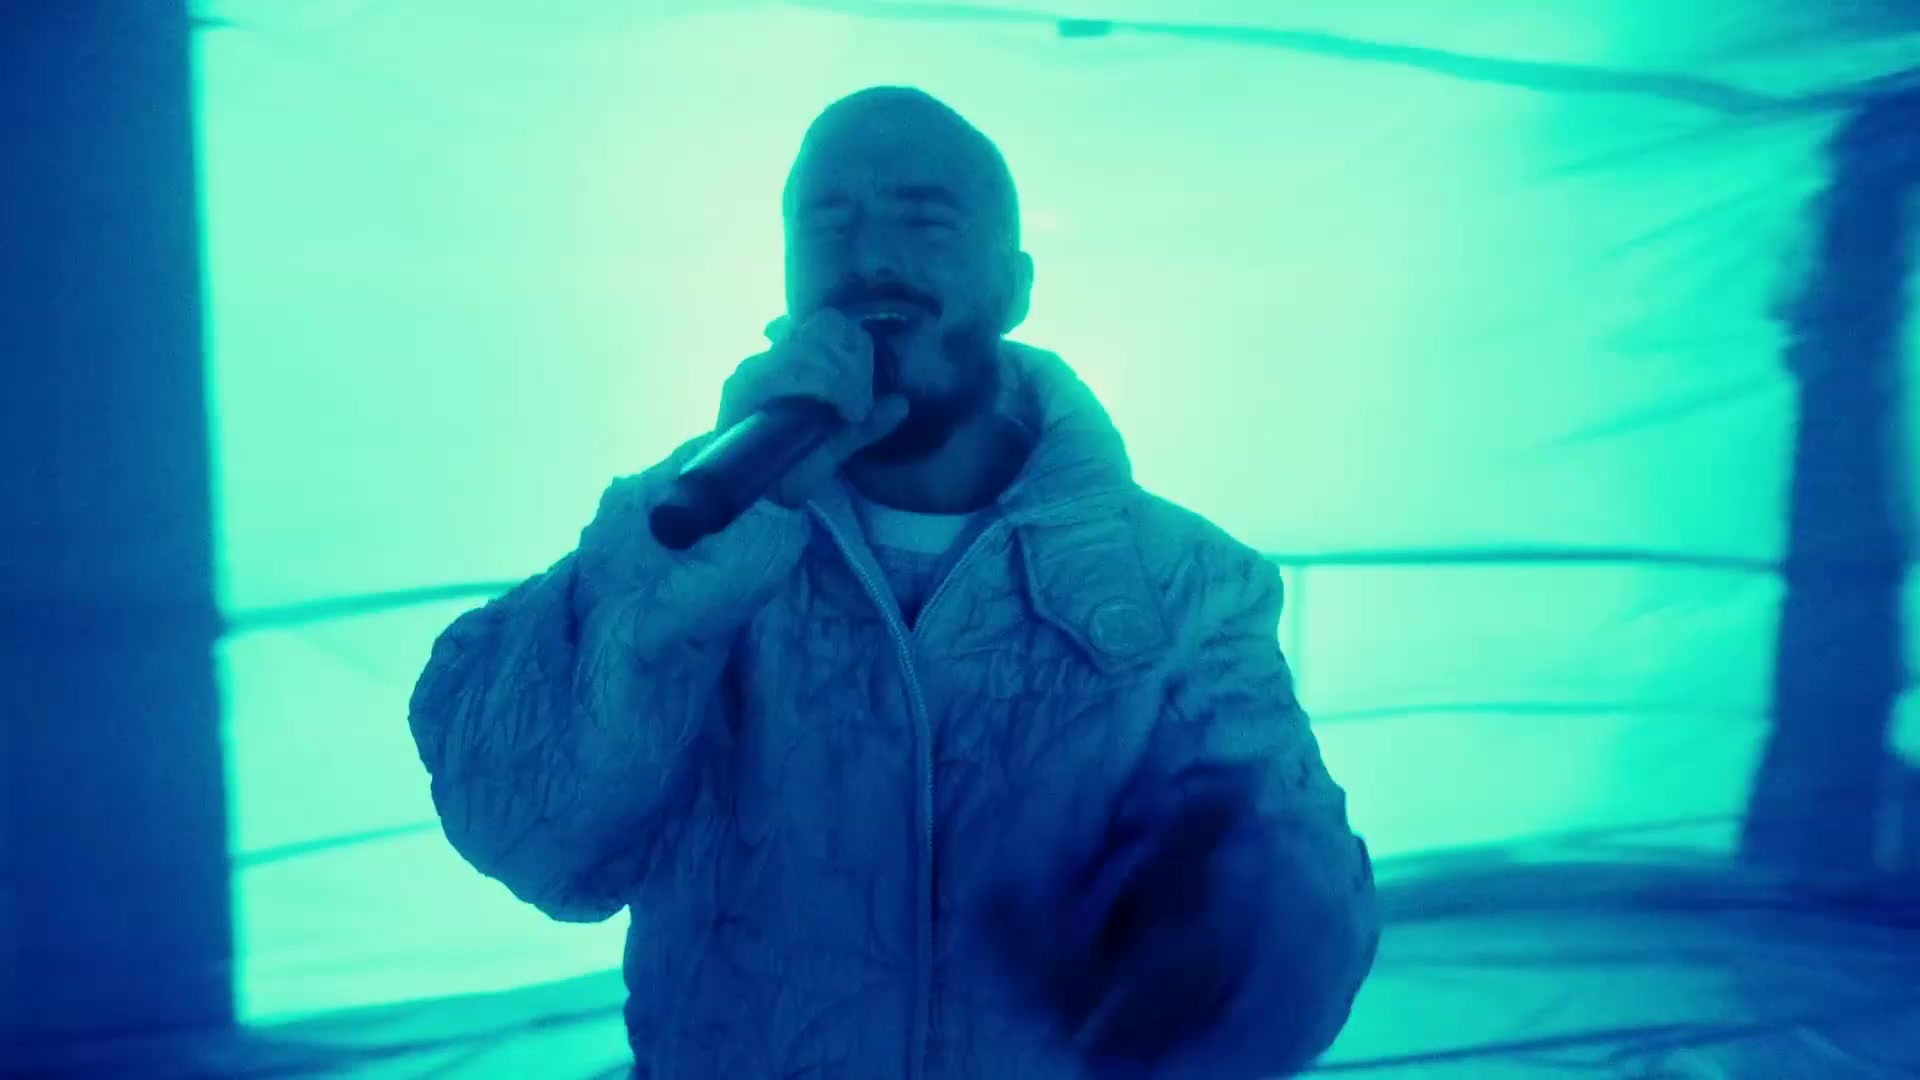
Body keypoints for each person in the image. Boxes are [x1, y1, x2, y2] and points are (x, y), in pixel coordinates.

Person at [408, 85, 1379, 1079]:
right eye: (828, 223)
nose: (870, 255)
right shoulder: (681, 526)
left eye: (925, 219)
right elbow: (527, 833)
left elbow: (1303, 951)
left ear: (1016, 286)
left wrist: (1234, 925)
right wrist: (699, 564)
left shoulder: (1193, 586)